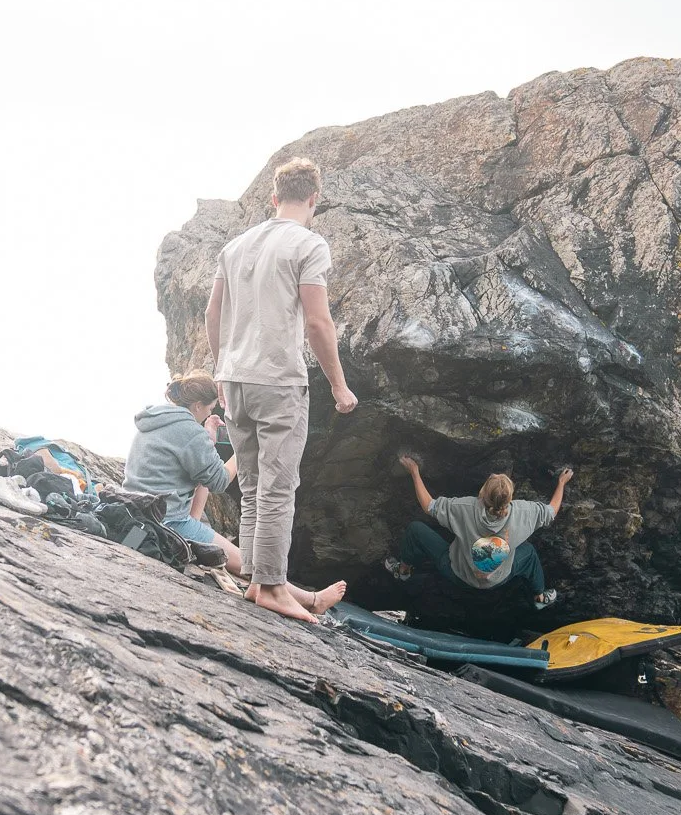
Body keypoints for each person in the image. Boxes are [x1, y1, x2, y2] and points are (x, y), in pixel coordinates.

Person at [208, 156, 356, 624]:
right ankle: (272, 587)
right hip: (278, 379)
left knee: (252, 487)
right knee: (277, 489)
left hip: (235, 376)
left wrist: (220, 371)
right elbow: (317, 321)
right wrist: (339, 385)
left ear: (273, 197)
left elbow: (213, 316)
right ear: (314, 199)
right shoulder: (308, 244)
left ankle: (256, 580)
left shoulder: (235, 246)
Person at [388, 456, 572, 611]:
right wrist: (561, 483)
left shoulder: (464, 508)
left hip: (458, 572)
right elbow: (551, 511)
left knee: (415, 529)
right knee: (529, 552)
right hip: (499, 578)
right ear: (510, 498)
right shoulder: (524, 513)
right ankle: (539, 597)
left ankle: (403, 571)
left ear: (483, 493)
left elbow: (429, 505)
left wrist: (415, 472)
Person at [123, 374, 243, 575]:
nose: (208, 413)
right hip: (169, 523)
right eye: (210, 409)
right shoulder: (190, 432)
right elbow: (219, 481)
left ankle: (190, 536)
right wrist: (243, 450)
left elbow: (190, 460)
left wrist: (207, 438)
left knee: (126, 554)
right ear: (198, 406)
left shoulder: (155, 419)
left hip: (136, 515)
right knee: (247, 564)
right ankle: (313, 600)